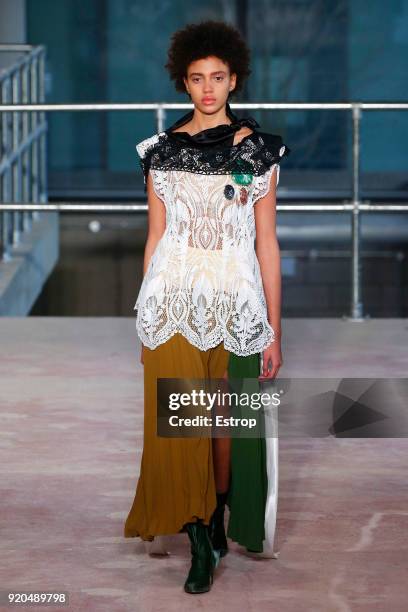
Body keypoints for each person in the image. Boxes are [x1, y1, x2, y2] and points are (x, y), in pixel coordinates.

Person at [124, 19, 290, 594]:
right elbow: (155, 236)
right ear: (183, 83)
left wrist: (272, 328)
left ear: (234, 79)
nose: (208, 88)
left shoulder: (261, 152)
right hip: (172, 301)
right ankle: (198, 538)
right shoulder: (162, 152)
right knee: (182, 426)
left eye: (218, 77)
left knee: (223, 428)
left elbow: (266, 243)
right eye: (197, 78)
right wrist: (145, 312)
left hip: (236, 301)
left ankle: (218, 521)